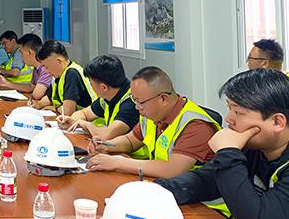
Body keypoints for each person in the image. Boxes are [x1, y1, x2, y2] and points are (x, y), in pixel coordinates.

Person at [156, 69, 289, 219]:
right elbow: (204, 181)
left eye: (238, 112)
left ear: (277, 122)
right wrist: (155, 191)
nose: (228, 119)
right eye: (229, 109)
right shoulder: (252, 147)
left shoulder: (238, 149)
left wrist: (228, 152)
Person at [86, 66, 220, 179]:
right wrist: (106, 145)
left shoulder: (196, 125)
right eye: (134, 100)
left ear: (163, 99)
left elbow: (172, 169)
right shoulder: (152, 116)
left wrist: (118, 162)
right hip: (163, 185)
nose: (137, 107)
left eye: (140, 102)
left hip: (196, 199)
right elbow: (131, 141)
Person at [56, 55, 138, 139]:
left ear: (104, 87)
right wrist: (71, 121)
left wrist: (87, 125)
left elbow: (107, 135)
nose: (90, 85)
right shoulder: (108, 96)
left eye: (90, 82)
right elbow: (85, 113)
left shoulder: (132, 103)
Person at [36, 40, 96, 115]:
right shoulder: (57, 75)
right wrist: (37, 106)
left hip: (89, 120)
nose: (46, 71)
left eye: (47, 67)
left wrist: (54, 108)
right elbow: (49, 98)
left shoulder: (72, 74)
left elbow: (67, 111)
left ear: (59, 61)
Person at [0, 34, 52, 109]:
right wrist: (6, 83)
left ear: (30, 52)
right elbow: (30, 87)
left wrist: (32, 95)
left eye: (21, 53)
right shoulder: (36, 68)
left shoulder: (45, 68)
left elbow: (37, 95)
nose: (21, 56)